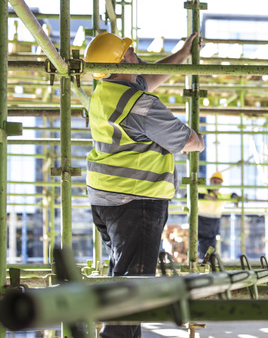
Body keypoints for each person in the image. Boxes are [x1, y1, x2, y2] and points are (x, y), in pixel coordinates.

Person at [85, 31, 205, 338]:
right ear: (124, 59)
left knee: (123, 282)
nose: (136, 53)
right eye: (130, 51)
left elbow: (149, 77)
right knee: (133, 292)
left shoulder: (104, 90)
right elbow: (192, 143)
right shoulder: (141, 106)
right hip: (135, 204)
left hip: (106, 201)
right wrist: (194, 137)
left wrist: (181, 55)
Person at [197, 171, 240, 259]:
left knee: (212, 245)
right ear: (210, 182)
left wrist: (235, 196)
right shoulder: (203, 190)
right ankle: (203, 261)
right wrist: (205, 196)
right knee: (202, 244)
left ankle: (209, 261)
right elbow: (191, 194)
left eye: (219, 182)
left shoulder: (220, 196)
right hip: (202, 222)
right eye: (214, 181)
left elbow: (230, 195)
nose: (216, 184)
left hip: (214, 223)